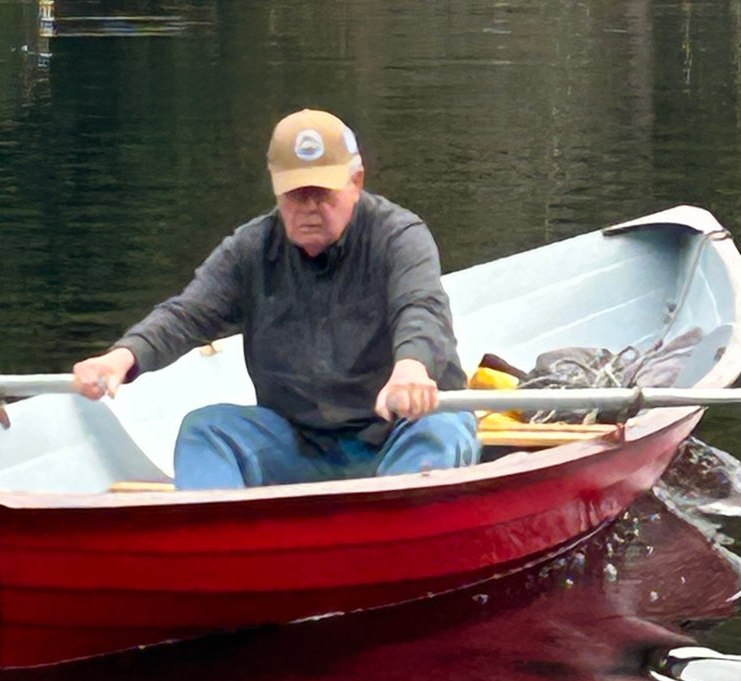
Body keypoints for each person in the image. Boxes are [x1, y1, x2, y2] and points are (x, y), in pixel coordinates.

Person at [71, 109, 479, 490]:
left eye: (322, 193)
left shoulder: (400, 237)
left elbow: (420, 308)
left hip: (397, 429)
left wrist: (411, 369)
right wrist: (119, 359)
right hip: (303, 442)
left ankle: (392, 533)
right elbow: (186, 315)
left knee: (439, 431)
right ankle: (220, 547)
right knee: (204, 431)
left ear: (356, 182)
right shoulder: (251, 248)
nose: (309, 209)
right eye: (295, 195)